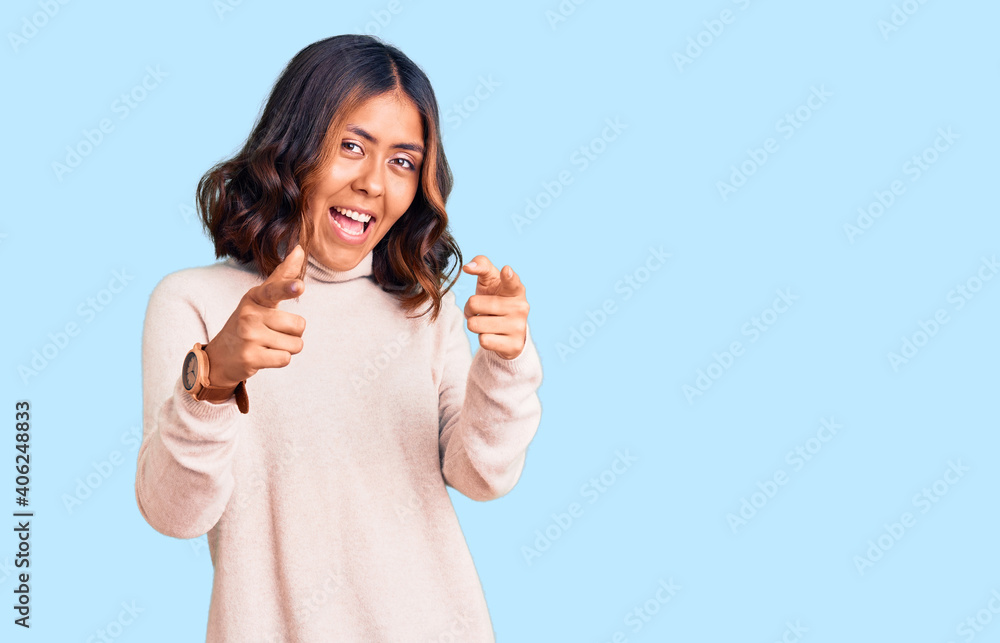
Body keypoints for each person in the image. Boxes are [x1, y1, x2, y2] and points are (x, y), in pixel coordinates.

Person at [134, 34, 543, 642]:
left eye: (403, 161)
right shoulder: (194, 302)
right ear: (292, 148)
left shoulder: (423, 308)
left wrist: (506, 362)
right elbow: (176, 514)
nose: (375, 183)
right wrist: (213, 380)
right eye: (352, 146)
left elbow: (483, 475)